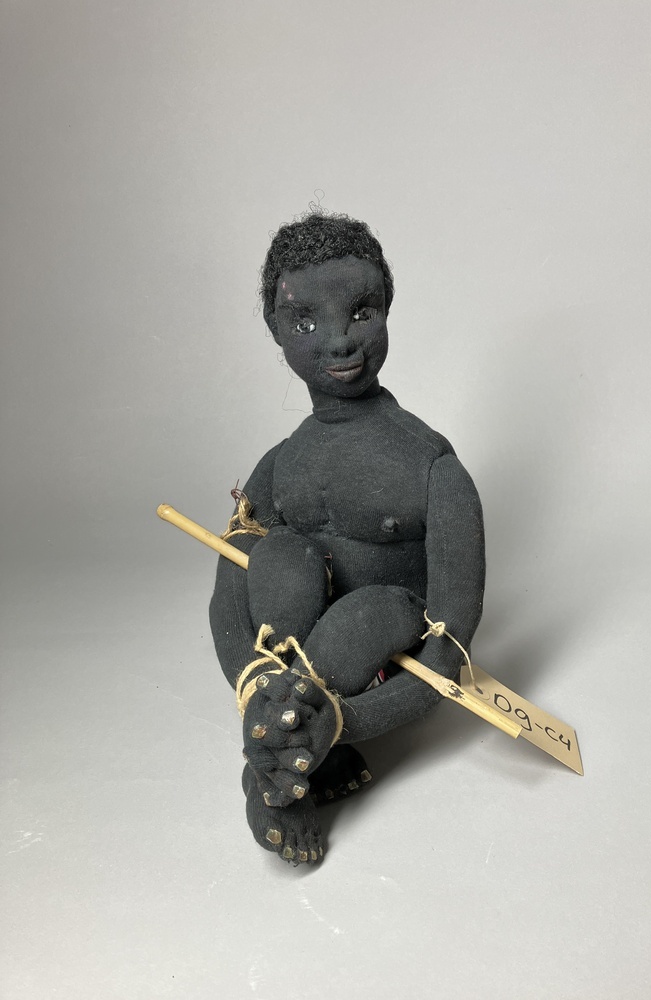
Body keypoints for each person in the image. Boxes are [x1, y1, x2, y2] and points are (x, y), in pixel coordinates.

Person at [210, 212, 485, 864]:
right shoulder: (280, 465)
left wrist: (338, 722)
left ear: (387, 307)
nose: (338, 341)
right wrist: (254, 684)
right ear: (276, 329)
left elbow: (448, 652)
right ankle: (285, 747)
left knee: (376, 611)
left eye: (361, 313)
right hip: (282, 662)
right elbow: (229, 592)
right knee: (280, 556)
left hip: (374, 653)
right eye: (306, 322)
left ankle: (275, 765)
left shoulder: (432, 467)